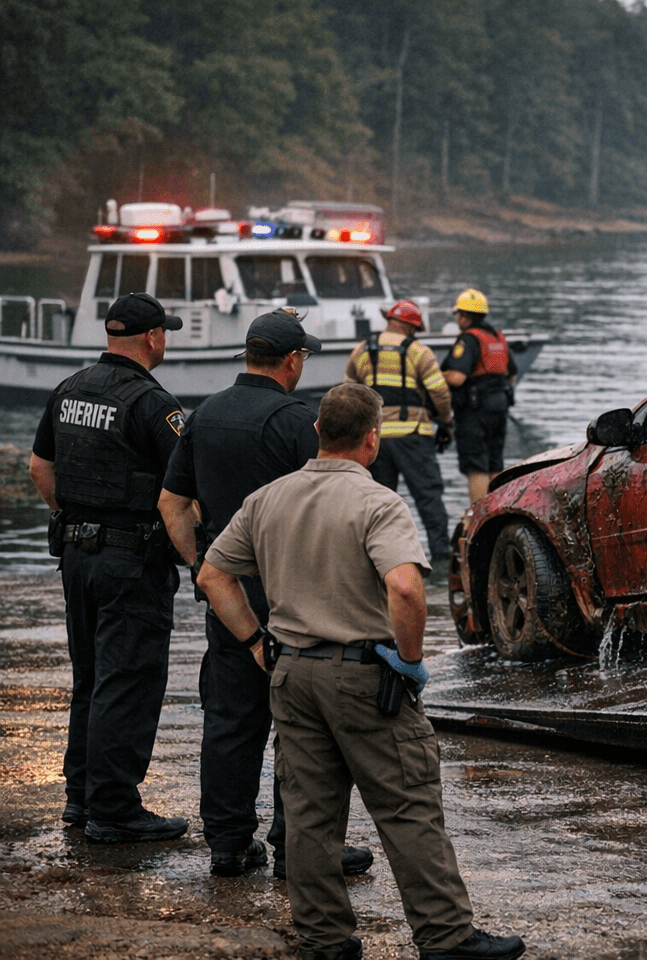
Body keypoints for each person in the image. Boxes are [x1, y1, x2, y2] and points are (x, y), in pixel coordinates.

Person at [197, 383, 524, 960]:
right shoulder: (378, 503)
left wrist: (254, 640)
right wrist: (410, 661)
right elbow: (405, 587)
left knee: (308, 815)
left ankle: (324, 939)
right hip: (362, 677)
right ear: (372, 439)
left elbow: (212, 576)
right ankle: (445, 936)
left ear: (319, 432)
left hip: (292, 674)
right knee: (407, 804)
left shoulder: (268, 498)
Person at [159, 309, 374, 880]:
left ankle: (228, 846)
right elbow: (329, 505)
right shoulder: (295, 422)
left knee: (230, 721)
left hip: (228, 602)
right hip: (293, 601)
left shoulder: (203, 417)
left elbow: (171, 505)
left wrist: (204, 566)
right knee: (303, 727)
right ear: (293, 360)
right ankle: (296, 847)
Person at [28, 292, 188, 844]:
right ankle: (115, 810)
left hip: (76, 554)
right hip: (131, 560)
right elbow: (182, 489)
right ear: (151, 338)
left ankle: (82, 797)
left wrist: (73, 519)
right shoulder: (151, 402)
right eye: (165, 332)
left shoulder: (68, 389)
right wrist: (197, 555)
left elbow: (39, 466)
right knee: (130, 680)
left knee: (91, 678)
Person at [345, 299, 454, 561]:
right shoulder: (419, 352)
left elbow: (348, 392)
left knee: (379, 502)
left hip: (376, 440)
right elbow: (439, 391)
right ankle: (440, 557)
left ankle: (379, 558)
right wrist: (446, 421)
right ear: (410, 327)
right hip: (413, 436)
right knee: (428, 497)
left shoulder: (362, 350)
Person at [440, 289, 515, 504]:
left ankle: (477, 518)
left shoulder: (469, 340)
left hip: (474, 411)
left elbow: (456, 377)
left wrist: (434, 374)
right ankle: (496, 511)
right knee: (494, 463)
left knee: (476, 466)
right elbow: (512, 373)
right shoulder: (498, 337)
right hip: (499, 408)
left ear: (463, 316)